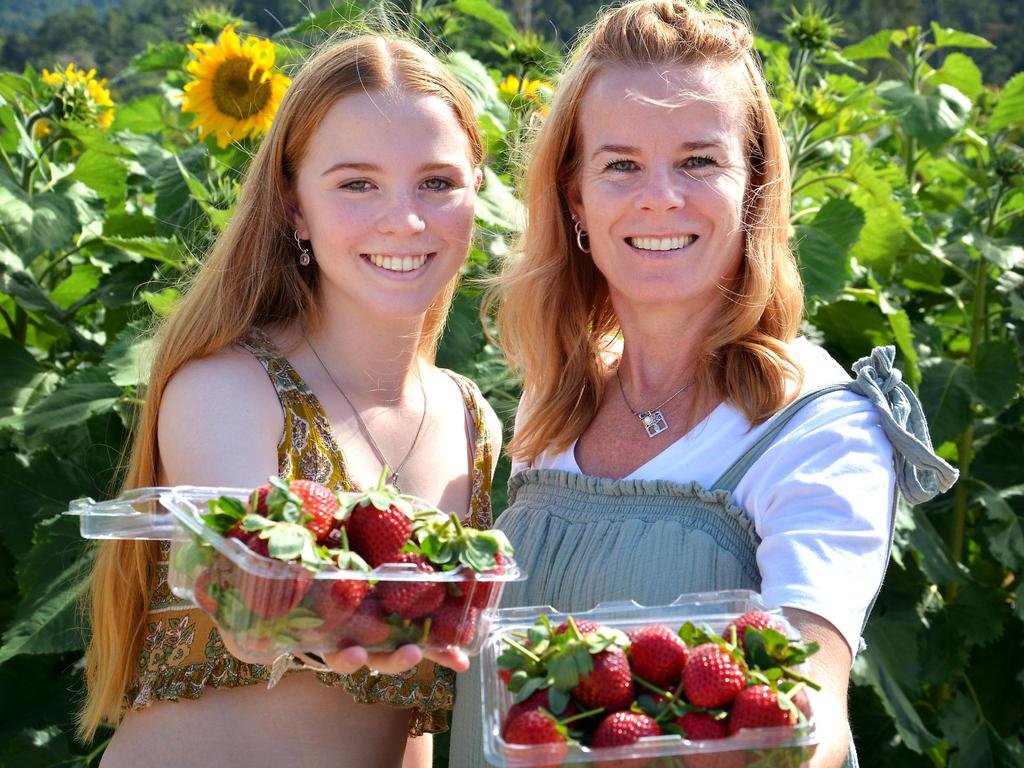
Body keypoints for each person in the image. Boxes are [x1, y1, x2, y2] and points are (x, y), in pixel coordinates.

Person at [449, 1, 957, 766]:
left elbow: (810, 703)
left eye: (698, 161)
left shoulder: (816, 425)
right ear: (575, 199)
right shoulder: (553, 403)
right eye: (620, 164)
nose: (660, 196)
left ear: (755, 187)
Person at [79, 34, 503, 768]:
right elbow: (263, 606)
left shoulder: (474, 422)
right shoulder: (228, 388)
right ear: (293, 208)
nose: (404, 218)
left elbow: (415, 723)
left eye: (437, 182)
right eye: (356, 184)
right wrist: (301, 617)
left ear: (477, 193)